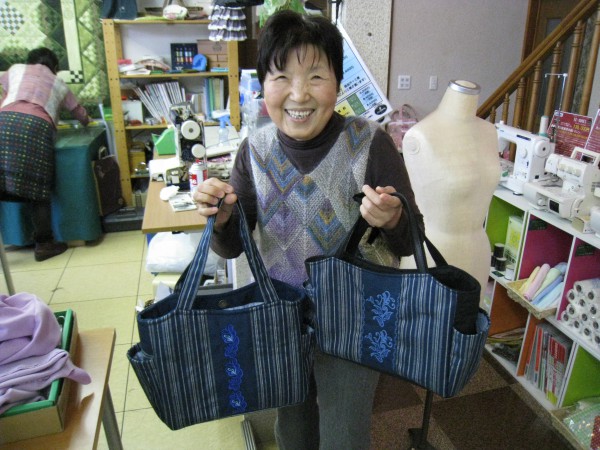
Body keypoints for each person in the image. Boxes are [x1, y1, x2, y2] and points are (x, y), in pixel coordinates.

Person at [195, 10, 423, 449]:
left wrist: (394, 218)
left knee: (344, 432)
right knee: (292, 425)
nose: (298, 94)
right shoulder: (254, 150)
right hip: (282, 318)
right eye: (281, 76)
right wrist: (221, 220)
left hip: (354, 320)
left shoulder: (371, 142)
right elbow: (232, 247)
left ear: (337, 83)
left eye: (316, 76)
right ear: (263, 85)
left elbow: (412, 239)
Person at [400, 80, 500, 297]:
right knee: (425, 317)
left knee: (472, 317)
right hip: (433, 253)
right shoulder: (421, 135)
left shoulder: (489, 131)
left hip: (479, 252)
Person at [0, 47, 90, 261]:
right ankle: (44, 244)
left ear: (29, 61)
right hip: (36, 126)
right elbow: (79, 113)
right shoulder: (58, 83)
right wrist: (87, 121)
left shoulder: (15, 70)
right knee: (38, 189)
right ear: (55, 67)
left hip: (2, 121)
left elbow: (5, 96)